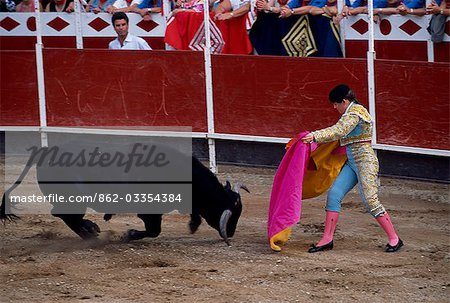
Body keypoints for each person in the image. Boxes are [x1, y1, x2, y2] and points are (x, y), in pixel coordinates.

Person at [301, 84, 403, 253]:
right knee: (334, 194)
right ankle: (327, 239)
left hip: (365, 162)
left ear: (344, 101)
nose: (335, 108)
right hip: (351, 161)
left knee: (370, 200)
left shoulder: (356, 112)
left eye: (336, 104)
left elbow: (339, 131)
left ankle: (394, 238)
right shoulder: (350, 112)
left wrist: (315, 136)